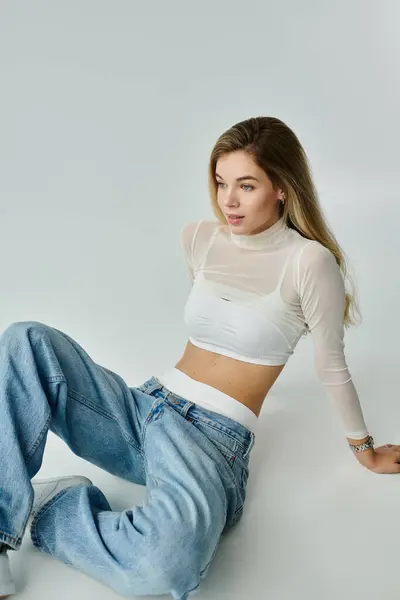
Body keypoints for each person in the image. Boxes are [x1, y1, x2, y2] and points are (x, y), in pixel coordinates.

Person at [1, 115, 400, 600]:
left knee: (164, 568)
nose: (228, 200)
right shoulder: (199, 238)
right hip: (142, 409)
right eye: (220, 182)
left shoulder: (309, 262)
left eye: (246, 185)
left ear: (281, 188)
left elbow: (331, 366)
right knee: (26, 340)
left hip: (212, 441)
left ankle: (55, 507)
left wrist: (366, 451)